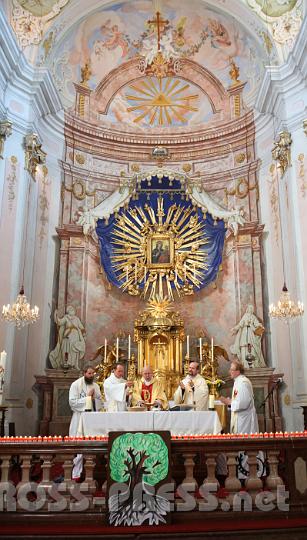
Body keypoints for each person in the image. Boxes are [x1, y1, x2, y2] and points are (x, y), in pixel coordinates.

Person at [69, 364, 102, 480]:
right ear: (84, 373)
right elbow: (72, 402)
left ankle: (90, 472)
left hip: (91, 419)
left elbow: (100, 403)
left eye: (93, 373)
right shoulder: (76, 385)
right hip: (79, 418)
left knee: (91, 444)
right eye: (89, 373)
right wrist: (87, 398)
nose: (91, 375)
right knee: (77, 444)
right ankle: (76, 473)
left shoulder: (96, 386)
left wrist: (94, 399)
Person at [220, 359, 259, 433]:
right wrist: (231, 401)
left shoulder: (243, 383)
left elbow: (243, 404)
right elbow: (239, 399)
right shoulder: (238, 381)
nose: (229, 372)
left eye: (231, 370)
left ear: (238, 372)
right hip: (241, 419)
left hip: (244, 421)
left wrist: (228, 402)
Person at [230, 304, 265, 368]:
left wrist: (260, 326)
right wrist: (234, 329)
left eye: (252, 308)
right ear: (248, 309)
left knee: (252, 346)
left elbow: (257, 324)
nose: (251, 309)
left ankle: (253, 363)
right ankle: (244, 363)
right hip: (244, 333)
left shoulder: (253, 317)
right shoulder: (245, 316)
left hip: (251, 332)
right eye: (250, 308)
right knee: (244, 346)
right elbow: (240, 324)